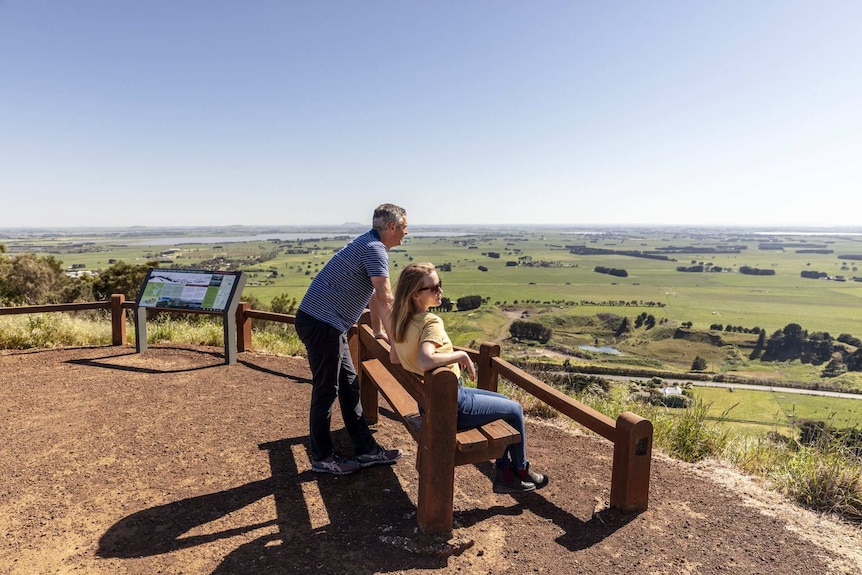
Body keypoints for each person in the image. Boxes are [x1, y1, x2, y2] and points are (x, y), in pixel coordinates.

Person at [390, 262, 549, 493]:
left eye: (439, 285)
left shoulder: (399, 320)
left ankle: (506, 472)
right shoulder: (430, 322)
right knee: (514, 410)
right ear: (415, 294)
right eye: (434, 288)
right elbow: (425, 360)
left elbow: (395, 358)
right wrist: (459, 355)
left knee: (502, 400)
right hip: (453, 405)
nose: (440, 292)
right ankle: (519, 471)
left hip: (431, 402)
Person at [294, 204, 407, 475]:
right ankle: (322, 458)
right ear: (391, 227)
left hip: (328, 323)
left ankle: (366, 449)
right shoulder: (375, 249)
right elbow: (386, 297)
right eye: (404, 227)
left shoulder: (367, 243)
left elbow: (372, 294)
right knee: (326, 391)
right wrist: (397, 344)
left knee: (348, 385)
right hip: (323, 324)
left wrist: (379, 331)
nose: (406, 232)